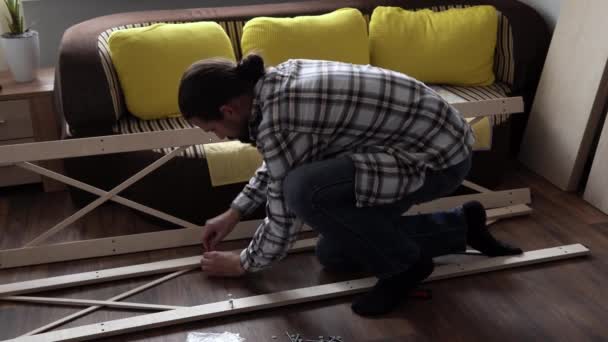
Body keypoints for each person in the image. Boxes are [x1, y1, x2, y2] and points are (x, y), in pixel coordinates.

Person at [178, 54, 522, 316]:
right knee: (333, 252)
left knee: (302, 190)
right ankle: (462, 226)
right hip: (427, 145)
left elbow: (284, 209)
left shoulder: (280, 116)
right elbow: (280, 160)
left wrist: (243, 263)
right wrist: (234, 212)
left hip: (437, 161)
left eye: (212, 130)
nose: (219, 137)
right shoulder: (274, 83)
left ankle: (405, 268)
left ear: (228, 110)